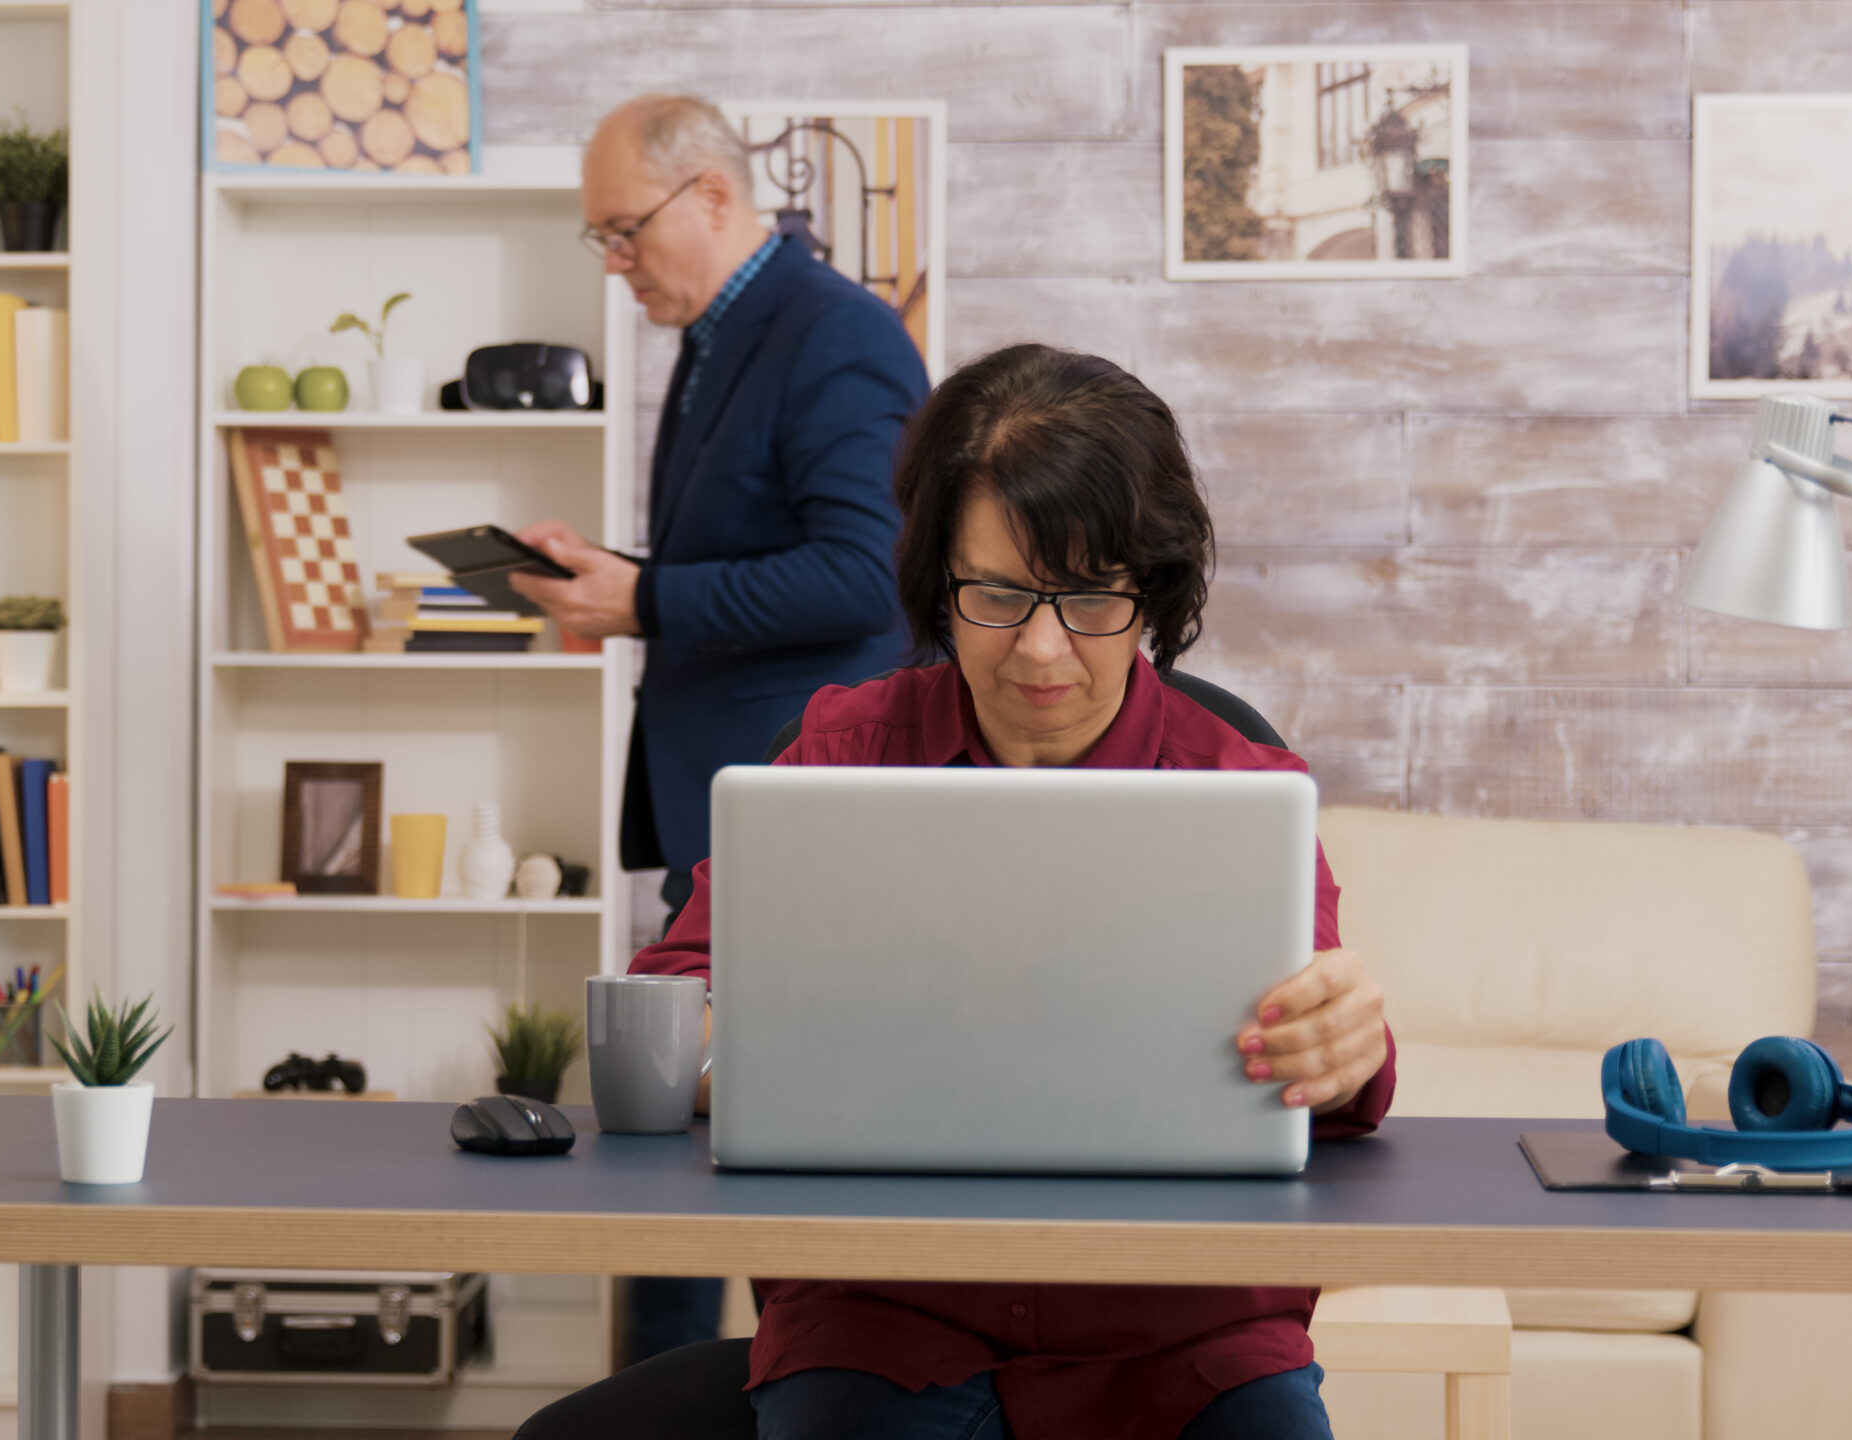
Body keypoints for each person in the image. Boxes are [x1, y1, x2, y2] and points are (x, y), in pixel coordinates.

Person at [516, 344, 1395, 1440]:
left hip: (1183, 1339)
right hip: (881, 1318)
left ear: (1150, 589)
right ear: (940, 581)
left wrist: (1345, 1046)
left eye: (1084, 597)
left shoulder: (1242, 789)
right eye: (995, 595)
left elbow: (1332, 1061)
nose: (1037, 649)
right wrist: (729, 1050)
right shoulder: (840, 755)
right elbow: (672, 1002)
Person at [509, 94, 930, 1364]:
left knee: (735, 1146)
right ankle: (677, 1389)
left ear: (711, 195)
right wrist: (617, 580)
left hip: (792, 819)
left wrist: (644, 596)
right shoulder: (725, 332)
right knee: (673, 1133)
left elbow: (870, 574)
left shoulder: (837, 337)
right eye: (601, 240)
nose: (615, 261)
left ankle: (797, 1385)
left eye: (624, 231)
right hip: (725, 803)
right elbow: (760, 557)